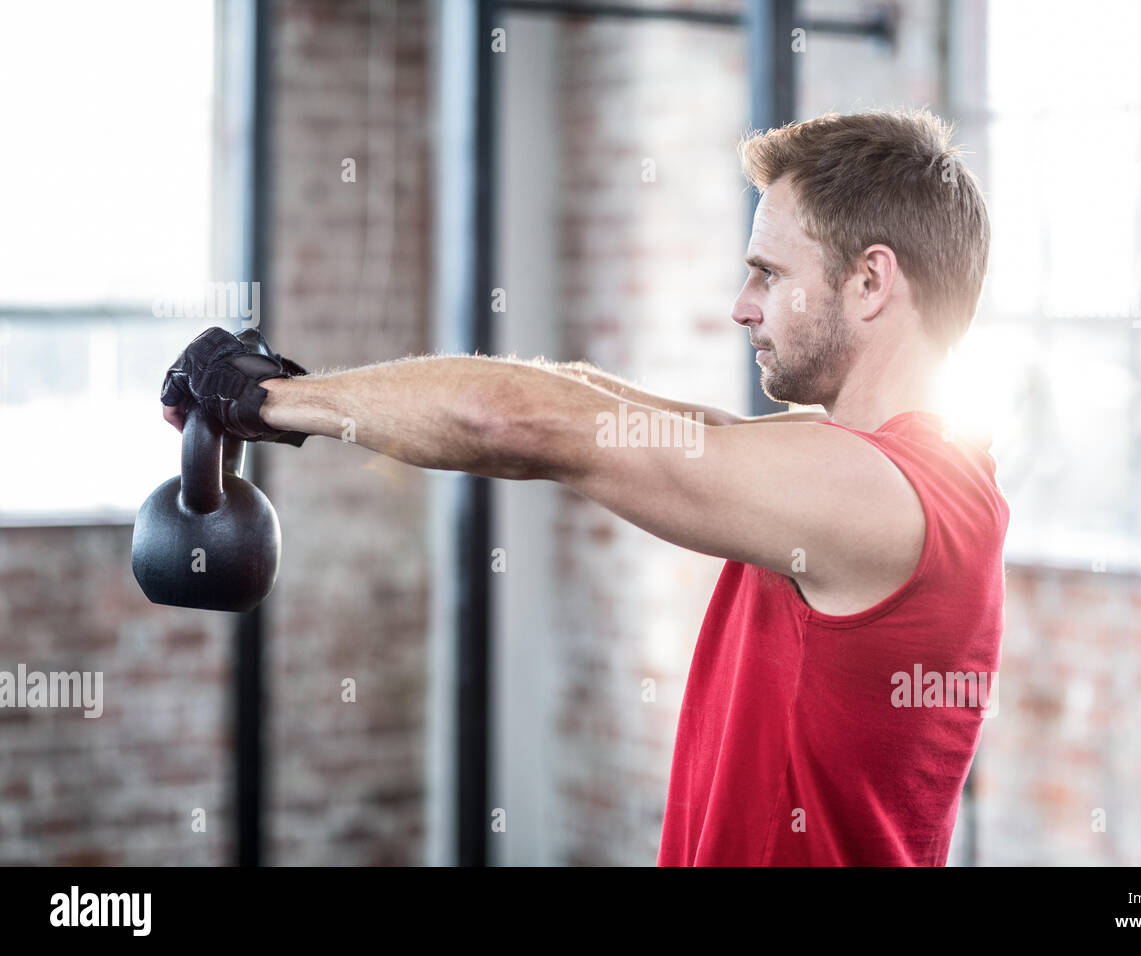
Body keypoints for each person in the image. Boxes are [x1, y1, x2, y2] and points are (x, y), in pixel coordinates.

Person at [160, 108, 1009, 866]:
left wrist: (270, 399)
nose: (743, 305)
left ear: (870, 281)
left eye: (771, 274)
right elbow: (605, 406)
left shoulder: (878, 495)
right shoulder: (873, 460)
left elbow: (522, 424)